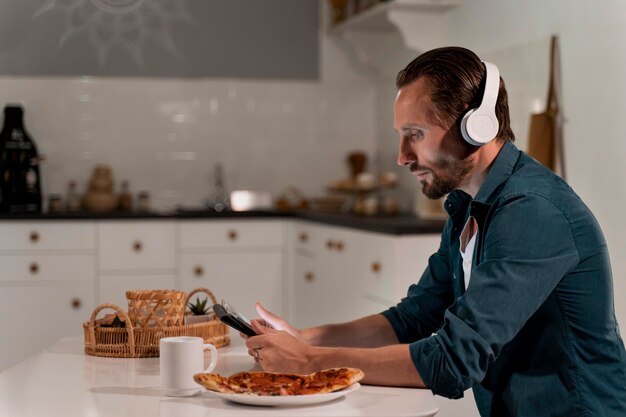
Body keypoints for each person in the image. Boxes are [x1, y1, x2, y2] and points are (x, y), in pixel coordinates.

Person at [244, 47, 626, 416]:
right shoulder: (467, 205)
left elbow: (453, 361)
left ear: (476, 127)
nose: (402, 156)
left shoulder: (533, 210)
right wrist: (304, 338)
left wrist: (311, 361)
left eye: (416, 133)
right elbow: (412, 318)